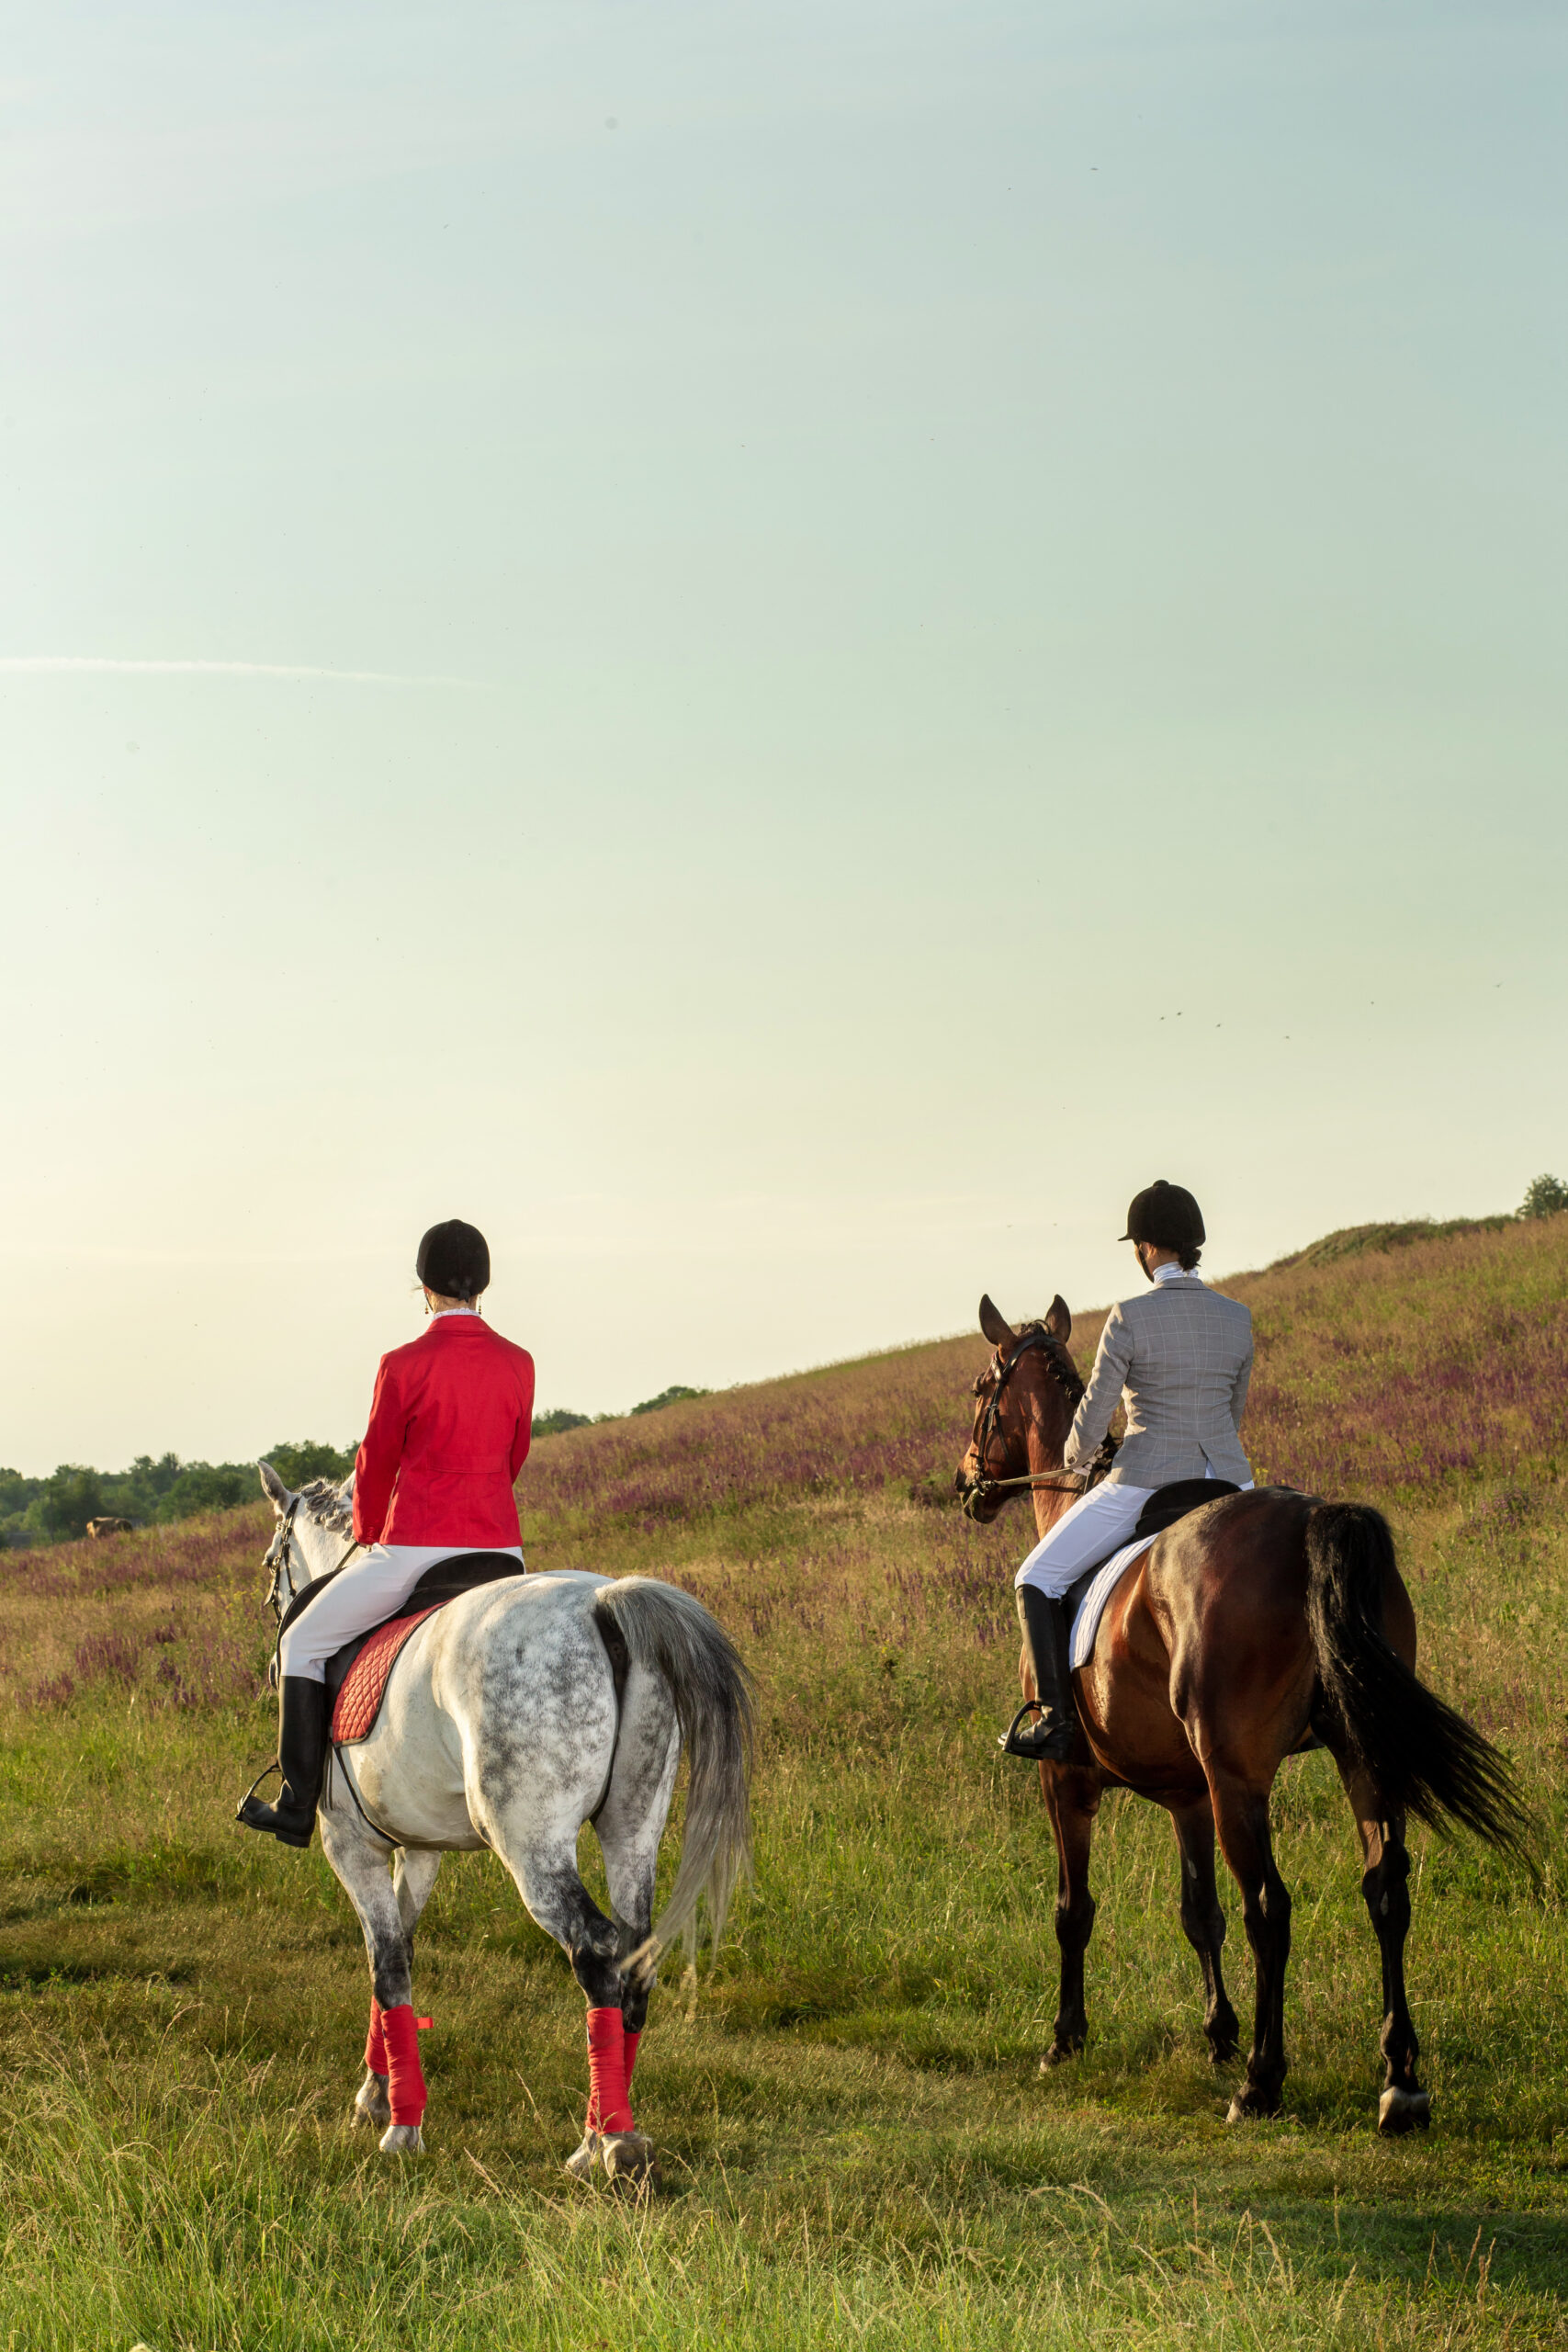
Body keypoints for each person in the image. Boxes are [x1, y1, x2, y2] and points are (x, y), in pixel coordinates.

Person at [238, 1218, 536, 1847]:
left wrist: (371, 1533)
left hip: (414, 1551)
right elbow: (514, 1456)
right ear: (483, 1283)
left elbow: (376, 1460)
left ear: (422, 1286)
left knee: (304, 1644)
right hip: (501, 1553)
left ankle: (296, 1805)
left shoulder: (402, 1364)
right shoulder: (518, 1361)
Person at [998, 1181, 1254, 1762]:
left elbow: (1092, 1420)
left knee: (1035, 1579)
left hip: (1147, 1480)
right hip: (1232, 1483)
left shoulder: (1129, 1316)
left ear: (1145, 1248)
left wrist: (1075, 1459)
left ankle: (1054, 1722)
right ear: (1193, 1244)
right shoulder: (1236, 1317)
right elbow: (1232, 1411)